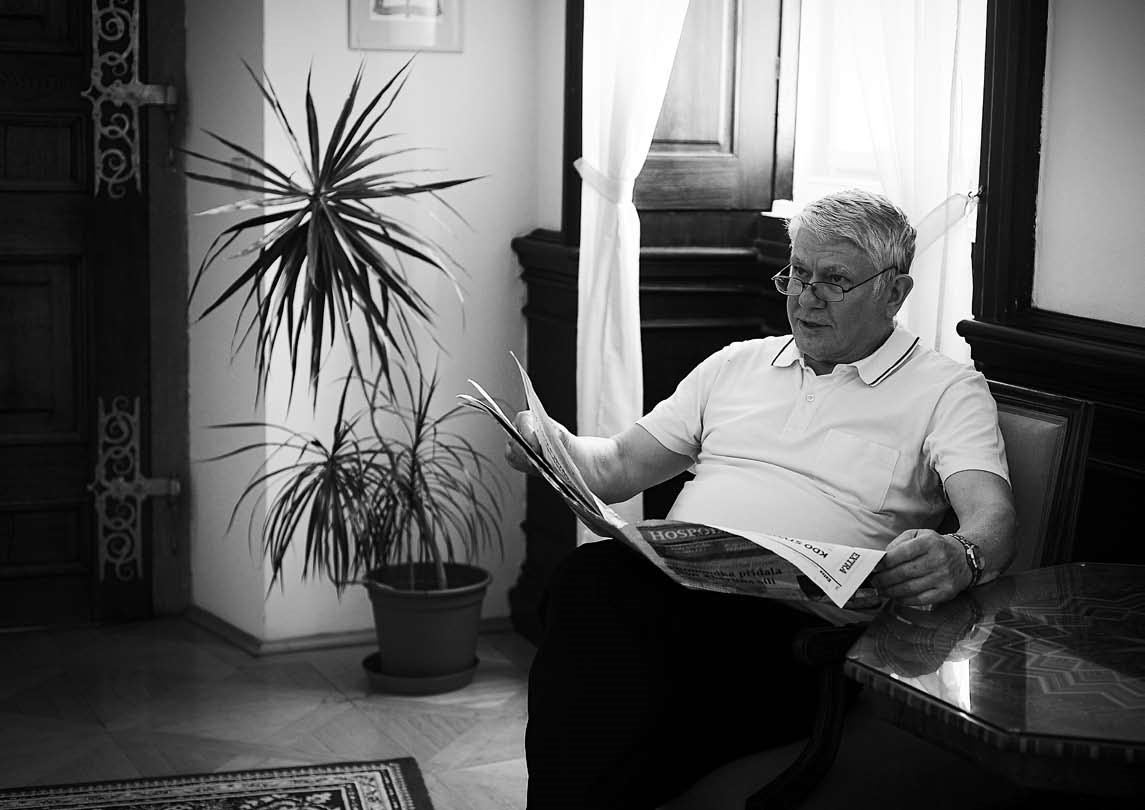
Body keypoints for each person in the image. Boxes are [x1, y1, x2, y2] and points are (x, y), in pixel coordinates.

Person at [507, 188, 1017, 809]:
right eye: (798, 273)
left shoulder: (946, 390)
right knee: (593, 587)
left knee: (603, 641)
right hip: (674, 598)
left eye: (835, 280)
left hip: (799, 640)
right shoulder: (736, 366)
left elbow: (992, 518)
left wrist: (961, 555)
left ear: (895, 292)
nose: (806, 296)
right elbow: (617, 466)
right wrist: (552, 443)